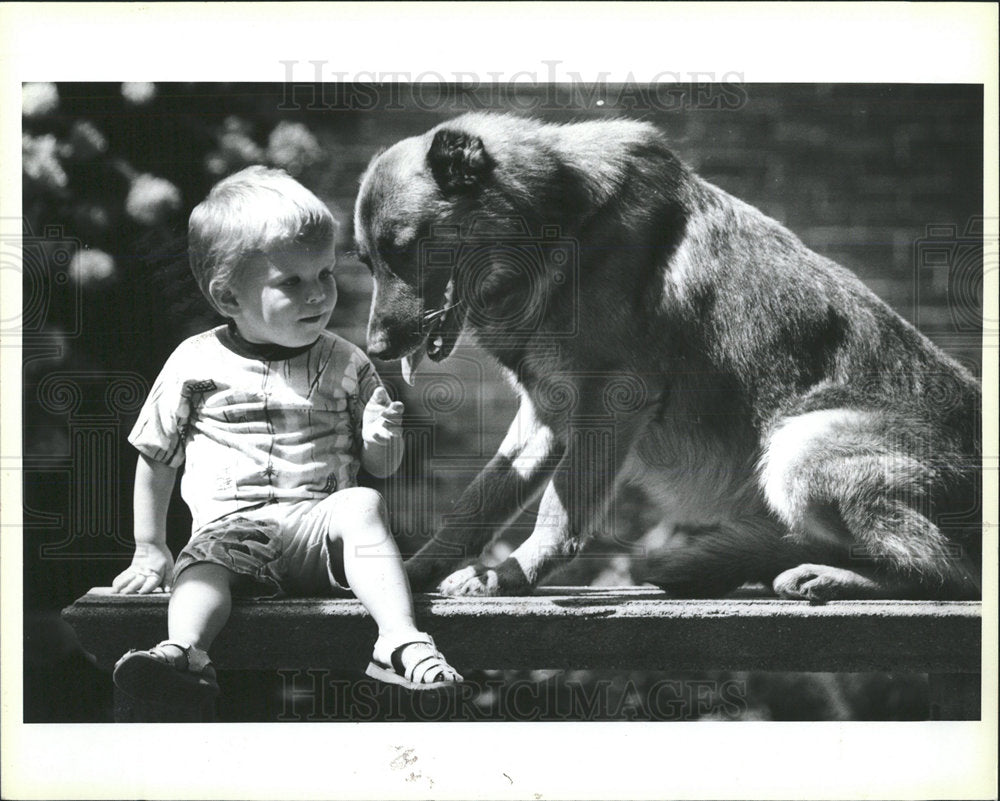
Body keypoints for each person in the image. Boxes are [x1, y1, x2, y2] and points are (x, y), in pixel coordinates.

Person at [111, 166, 462, 705]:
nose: (319, 294)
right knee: (200, 571)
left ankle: (397, 639)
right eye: (291, 282)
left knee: (363, 503)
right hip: (232, 534)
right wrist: (150, 546)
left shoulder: (347, 362)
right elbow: (156, 454)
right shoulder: (194, 362)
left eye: (324, 274)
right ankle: (183, 654)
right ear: (229, 297)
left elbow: (382, 470)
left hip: (320, 534)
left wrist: (380, 438)